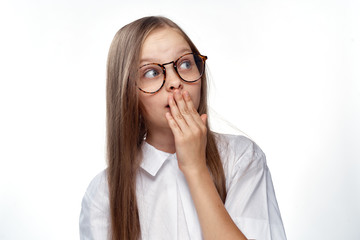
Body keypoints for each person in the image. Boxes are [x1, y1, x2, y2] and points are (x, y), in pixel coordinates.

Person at [79, 16, 287, 240]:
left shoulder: (241, 158)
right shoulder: (102, 194)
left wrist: (196, 168)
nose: (175, 82)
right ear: (128, 92)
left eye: (185, 64)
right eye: (152, 72)